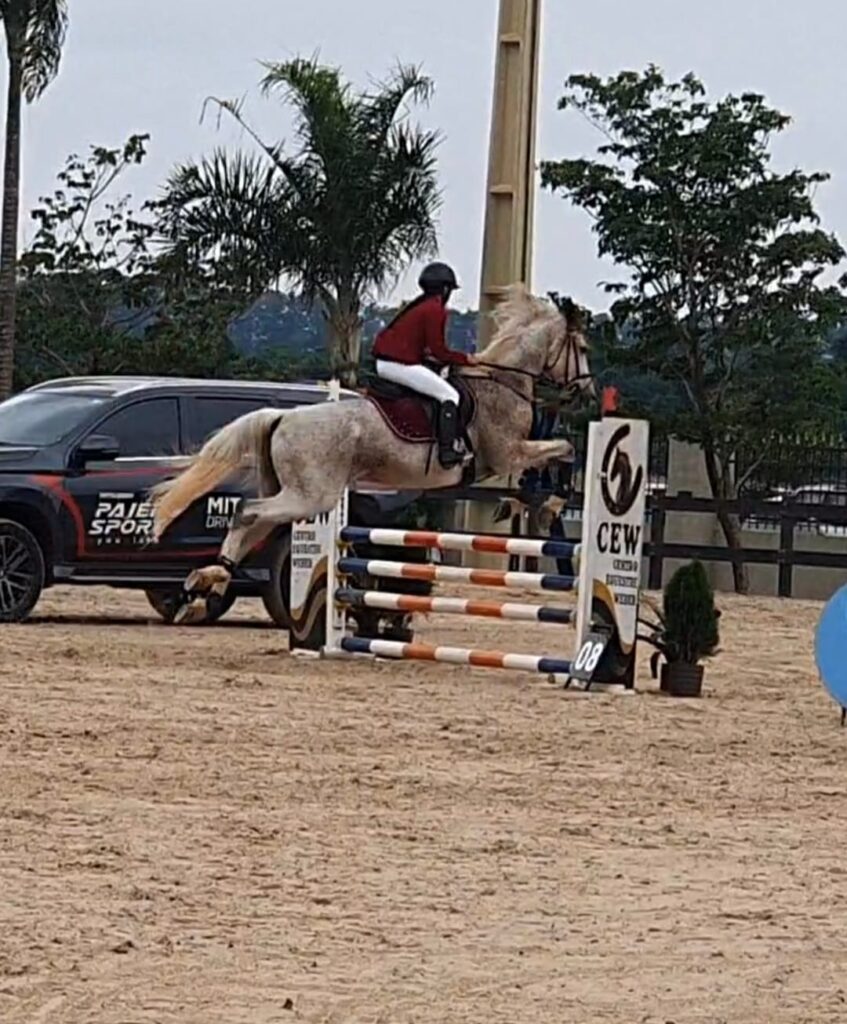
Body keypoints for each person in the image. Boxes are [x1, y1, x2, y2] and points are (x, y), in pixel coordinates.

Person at [372, 261, 476, 468]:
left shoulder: (421, 305)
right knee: (450, 395)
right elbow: (438, 349)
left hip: (390, 362)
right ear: (445, 289)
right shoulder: (434, 309)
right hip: (397, 365)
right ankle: (447, 452)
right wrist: (466, 360)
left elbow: (428, 350)